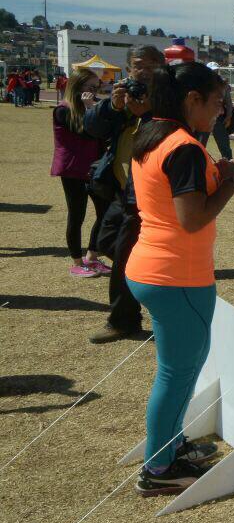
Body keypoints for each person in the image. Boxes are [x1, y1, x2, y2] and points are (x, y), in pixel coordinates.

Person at [125, 62, 234, 495]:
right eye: (216, 102)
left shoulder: (152, 134)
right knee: (177, 373)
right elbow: (192, 218)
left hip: (152, 267)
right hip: (177, 274)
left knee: (176, 369)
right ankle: (158, 469)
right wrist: (229, 179)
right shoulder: (184, 148)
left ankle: (169, 446)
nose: (220, 112)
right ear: (192, 100)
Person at [84, 45, 165, 343]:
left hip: (146, 192)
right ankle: (145, 282)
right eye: (138, 65)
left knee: (123, 256)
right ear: (129, 68)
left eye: (152, 64)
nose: (143, 71)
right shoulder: (124, 95)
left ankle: (123, 320)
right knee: (107, 242)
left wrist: (148, 113)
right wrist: (113, 106)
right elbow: (91, 128)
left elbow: (175, 130)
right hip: (122, 188)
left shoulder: (171, 96)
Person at [51, 70, 111, 277]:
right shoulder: (63, 110)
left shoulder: (92, 106)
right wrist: (90, 109)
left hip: (94, 169)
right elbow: (86, 132)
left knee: (104, 212)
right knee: (77, 215)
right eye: (90, 88)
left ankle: (92, 257)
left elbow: (106, 132)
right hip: (73, 169)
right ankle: (77, 262)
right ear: (77, 87)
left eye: (97, 87)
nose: (95, 92)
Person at [206, 63, 234, 160]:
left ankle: (229, 167)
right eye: (213, 70)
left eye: (216, 70)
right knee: (200, 143)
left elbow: (229, 102)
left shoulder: (224, 84)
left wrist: (229, 116)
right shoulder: (202, 83)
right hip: (204, 117)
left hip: (218, 119)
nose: (215, 72)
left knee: (224, 146)